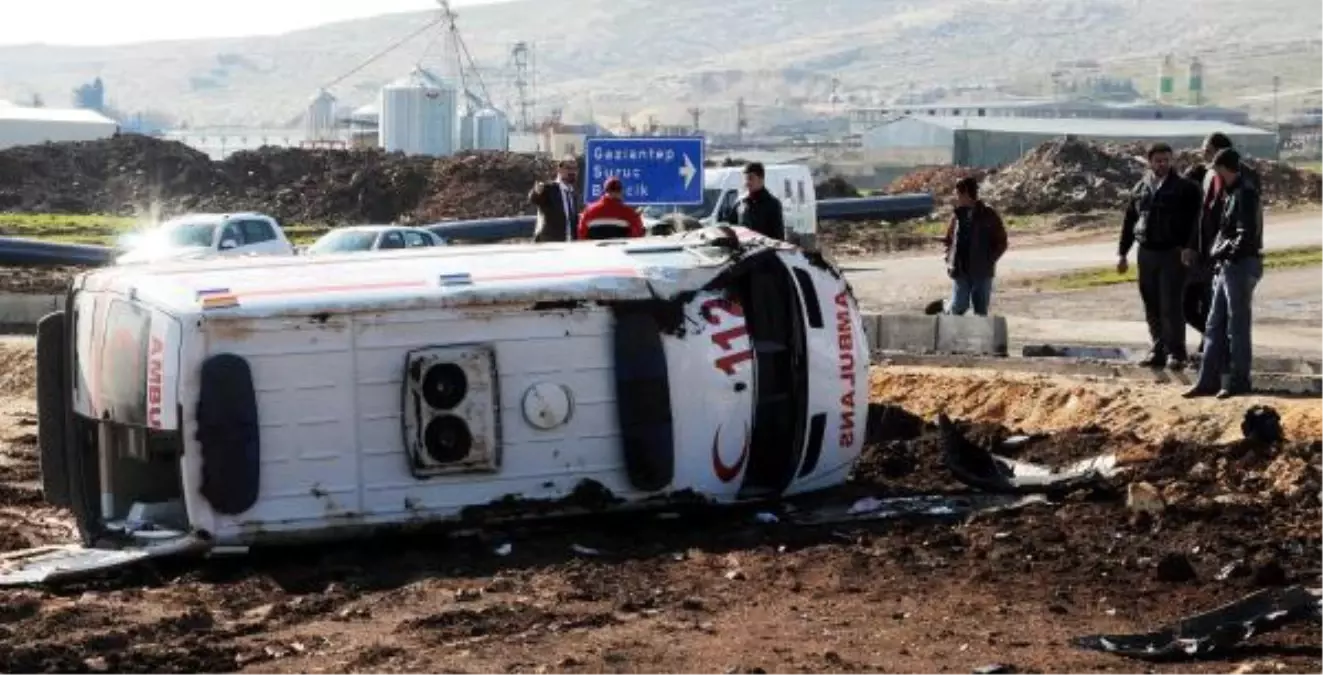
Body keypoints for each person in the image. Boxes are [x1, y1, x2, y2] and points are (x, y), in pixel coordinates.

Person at [1184, 148, 1264, 399]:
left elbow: (1245, 234)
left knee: (1236, 326)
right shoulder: (1232, 193)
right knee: (1214, 324)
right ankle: (1207, 381)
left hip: (1240, 265)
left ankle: (1239, 381)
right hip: (1227, 266)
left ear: (1224, 169)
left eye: (1216, 171)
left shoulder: (1246, 194)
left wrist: (1224, 251)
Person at [1117, 143, 1202, 369]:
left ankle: (1177, 352)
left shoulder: (1186, 188)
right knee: (1151, 303)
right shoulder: (1140, 188)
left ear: (1171, 161)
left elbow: (1197, 222)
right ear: (1150, 162)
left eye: (1166, 160)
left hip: (1173, 253)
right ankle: (1158, 349)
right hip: (1147, 252)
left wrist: (1189, 247)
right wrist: (1123, 253)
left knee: (1171, 304)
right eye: (1158, 160)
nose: (1162, 164)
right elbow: (1129, 221)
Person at [940, 176, 1008, 316]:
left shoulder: (988, 214)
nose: (956, 197)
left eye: (958, 194)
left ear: (965, 193)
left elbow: (1002, 242)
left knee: (980, 310)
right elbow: (949, 239)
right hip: (961, 270)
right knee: (959, 306)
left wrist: (989, 260)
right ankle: (946, 321)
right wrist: (949, 256)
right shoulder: (958, 215)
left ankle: (978, 337)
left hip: (982, 272)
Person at [721, 162, 785, 240]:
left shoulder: (773, 204)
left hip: (764, 250)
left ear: (761, 179)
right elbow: (731, 229)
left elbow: (779, 237)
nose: (747, 182)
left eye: (750, 178)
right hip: (743, 250)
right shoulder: (741, 203)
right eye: (746, 179)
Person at [528, 156, 580, 243]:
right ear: (560, 169)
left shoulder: (573, 193)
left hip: (568, 244)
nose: (572, 172)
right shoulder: (549, 189)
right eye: (568, 168)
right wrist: (536, 192)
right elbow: (534, 199)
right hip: (549, 244)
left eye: (574, 169)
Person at [577, 177, 645, 240]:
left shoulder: (589, 211)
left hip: (595, 251)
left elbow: (581, 234)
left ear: (604, 191)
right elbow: (638, 234)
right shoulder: (629, 213)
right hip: (620, 251)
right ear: (621, 192)